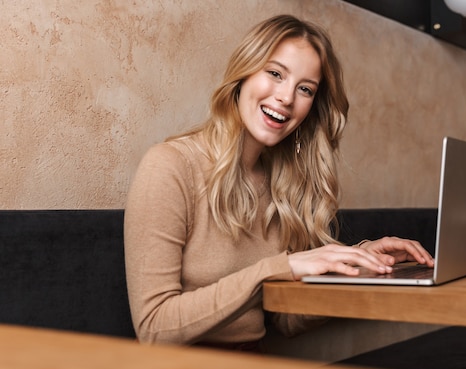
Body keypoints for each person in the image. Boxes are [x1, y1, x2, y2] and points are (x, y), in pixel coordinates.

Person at [124, 14, 434, 349]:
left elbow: (287, 319)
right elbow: (153, 328)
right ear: (243, 75)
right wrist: (278, 269)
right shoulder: (170, 166)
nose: (287, 97)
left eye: (305, 89)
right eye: (275, 73)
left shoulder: (282, 186)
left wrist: (359, 266)